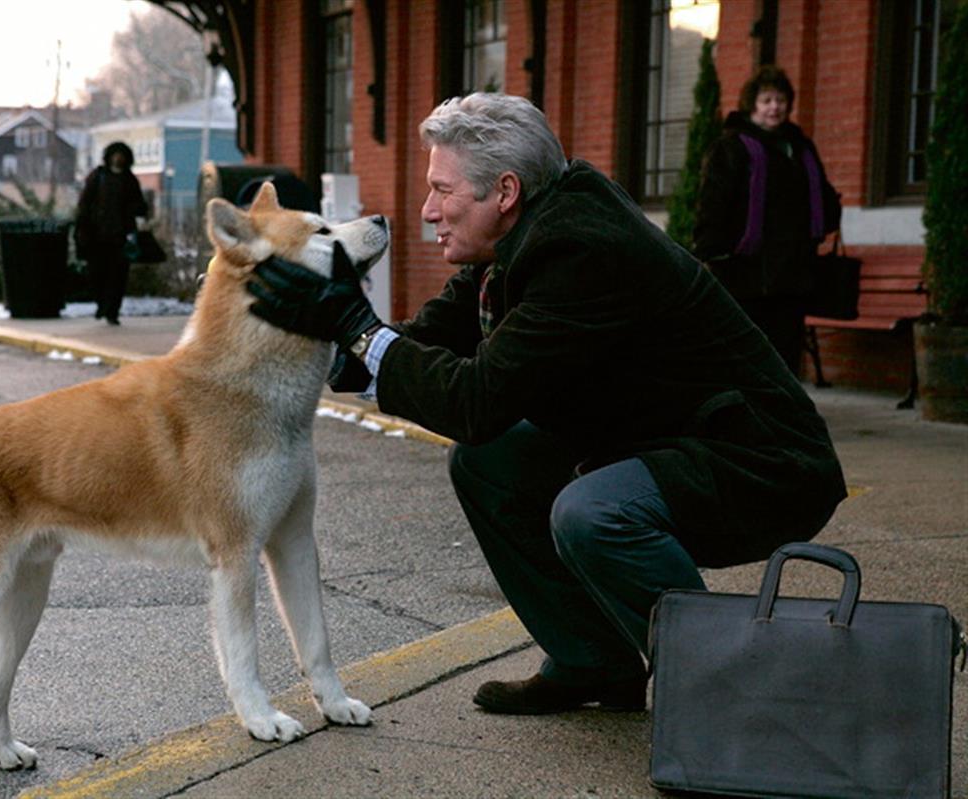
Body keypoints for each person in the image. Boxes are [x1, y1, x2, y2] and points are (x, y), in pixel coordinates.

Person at [245, 92, 846, 715]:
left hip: (760, 462)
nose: (428, 211)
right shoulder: (526, 229)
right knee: (488, 461)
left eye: (442, 191)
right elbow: (429, 337)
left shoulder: (582, 251)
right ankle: (594, 662)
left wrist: (358, 327)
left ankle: (728, 696)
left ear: (503, 191)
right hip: (672, 442)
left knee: (592, 513)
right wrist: (327, 340)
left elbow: (476, 399)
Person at [694, 65, 842, 373]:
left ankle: (784, 413)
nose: (775, 107)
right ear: (753, 105)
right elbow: (713, 204)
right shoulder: (732, 147)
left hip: (793, 273)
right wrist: (712, 251)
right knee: (748, 353)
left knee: (786, 354)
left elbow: (823, 197)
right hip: (746, 274)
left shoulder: (800, 148)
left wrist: (828, 217)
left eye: (780, 100)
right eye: (766, 100)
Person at [74, 141, 148, 325]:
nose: (118, 158)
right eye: (115, 154)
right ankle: (101, 304)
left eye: (121, 155)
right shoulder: (97, 177)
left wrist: (133, 213)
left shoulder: (130, 180)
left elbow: (141, 206)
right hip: (96, 236)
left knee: (118, 276)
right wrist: (82, 229)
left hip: (121, 237)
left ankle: (112, 311)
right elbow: (84, 204)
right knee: (96, 274)